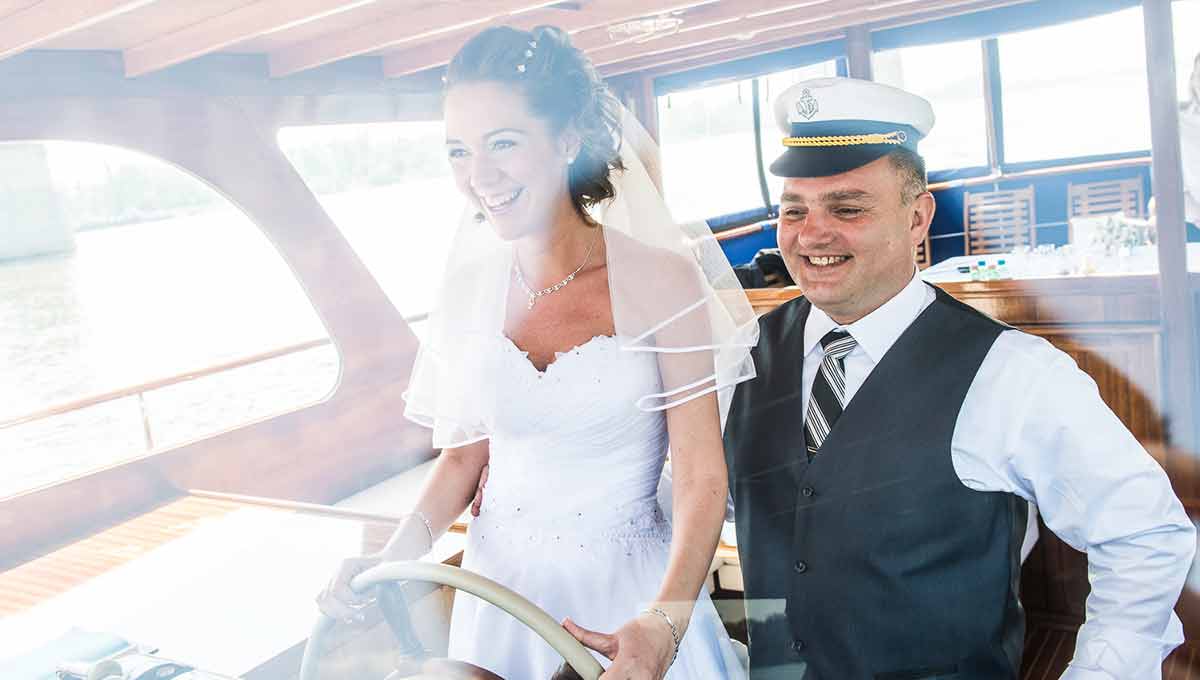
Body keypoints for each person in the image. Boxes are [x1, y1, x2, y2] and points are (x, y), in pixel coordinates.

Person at [318, 25, 758, 680]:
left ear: (567, 142)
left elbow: (700, 476)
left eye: (503, 144)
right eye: (458, 152)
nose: (478, 176)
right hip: (499, 592)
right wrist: (388, 557)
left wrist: (666, 622)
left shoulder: (665, 280)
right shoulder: (468, 287)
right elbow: (465, 456)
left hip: (627, 595)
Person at [721, 77, 1196, 679]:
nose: (812, 234)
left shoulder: (1013, 372)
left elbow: (1144, 533)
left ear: (918, 217)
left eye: (847, 208)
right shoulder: (739, 355)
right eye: (794, 210)